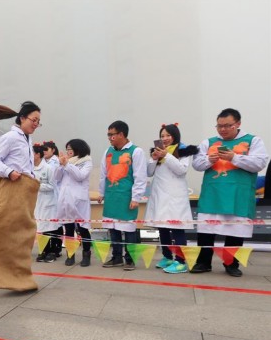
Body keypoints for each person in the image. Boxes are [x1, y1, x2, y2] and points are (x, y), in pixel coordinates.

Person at [191, 108, 269, 277]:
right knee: (206, 229)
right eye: (219, 126)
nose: (223, 129)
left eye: (227, 125)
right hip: (213, 192)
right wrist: (208, 160)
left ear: (238, 124)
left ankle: (231, 263)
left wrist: (234, 157)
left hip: (238, 193)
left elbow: (259, 163)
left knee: (235, 229)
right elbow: (196, 164)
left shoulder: (253, 140)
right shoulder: (208, 142)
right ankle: (203, 262)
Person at [0, 98, 42, 291]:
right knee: (5, 233)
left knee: (22, 236)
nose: (36, 124)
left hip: (24, 192)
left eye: (38, 121)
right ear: (22, 118)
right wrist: (9, 172)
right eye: (34, 120)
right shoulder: (10, 138)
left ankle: (19, 278)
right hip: (11, 189)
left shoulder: (26, 139)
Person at [144, 124, 198, 274]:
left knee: (177, 227)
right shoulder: (158, 151)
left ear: (175, 136)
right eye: (162, 136)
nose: (165, 138)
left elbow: (181, 170)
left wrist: (166, 156)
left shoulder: (184, 150)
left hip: (175, 196)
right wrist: (154, 159)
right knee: (162, 228)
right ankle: (167, 257)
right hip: (159, 194)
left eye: (168, 135)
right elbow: (149, 172)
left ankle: (181, 261)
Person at [98, 121, 147, 271]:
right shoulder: (108, 152)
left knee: (128, 228)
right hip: (111, 195)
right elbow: (103, 174)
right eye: (108, 135)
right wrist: (101, 192)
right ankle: (117, 257)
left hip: (127, 196)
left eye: (112, 134)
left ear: (121, 134)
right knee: (113, 227)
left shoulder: (136, 151)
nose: (109, 138)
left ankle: (130, 259)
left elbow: (140, 176)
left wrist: (136, 198)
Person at [55, 139, 93, 266]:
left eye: (70, 149)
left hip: (79, 199)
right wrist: (60, 165)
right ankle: (70, 255)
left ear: (78, 149)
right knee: (69, 228)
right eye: (67, 149)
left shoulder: (86, 161)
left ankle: (86, 253)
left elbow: (80, 176)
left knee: (83, 228)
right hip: (66, 199)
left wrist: (67, 165)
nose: (68, 152)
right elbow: (56, 178)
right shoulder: (66, 162)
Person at [33, 144, 62, 263]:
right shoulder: (30, 168)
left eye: (31, 153)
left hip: (49, 202)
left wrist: (37, 185)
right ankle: (43, 250)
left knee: (50, 228)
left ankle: (52, 251)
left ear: (38, 155)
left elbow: (52, 186)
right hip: (37, 202)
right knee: (40, 228)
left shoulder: (48, 168)